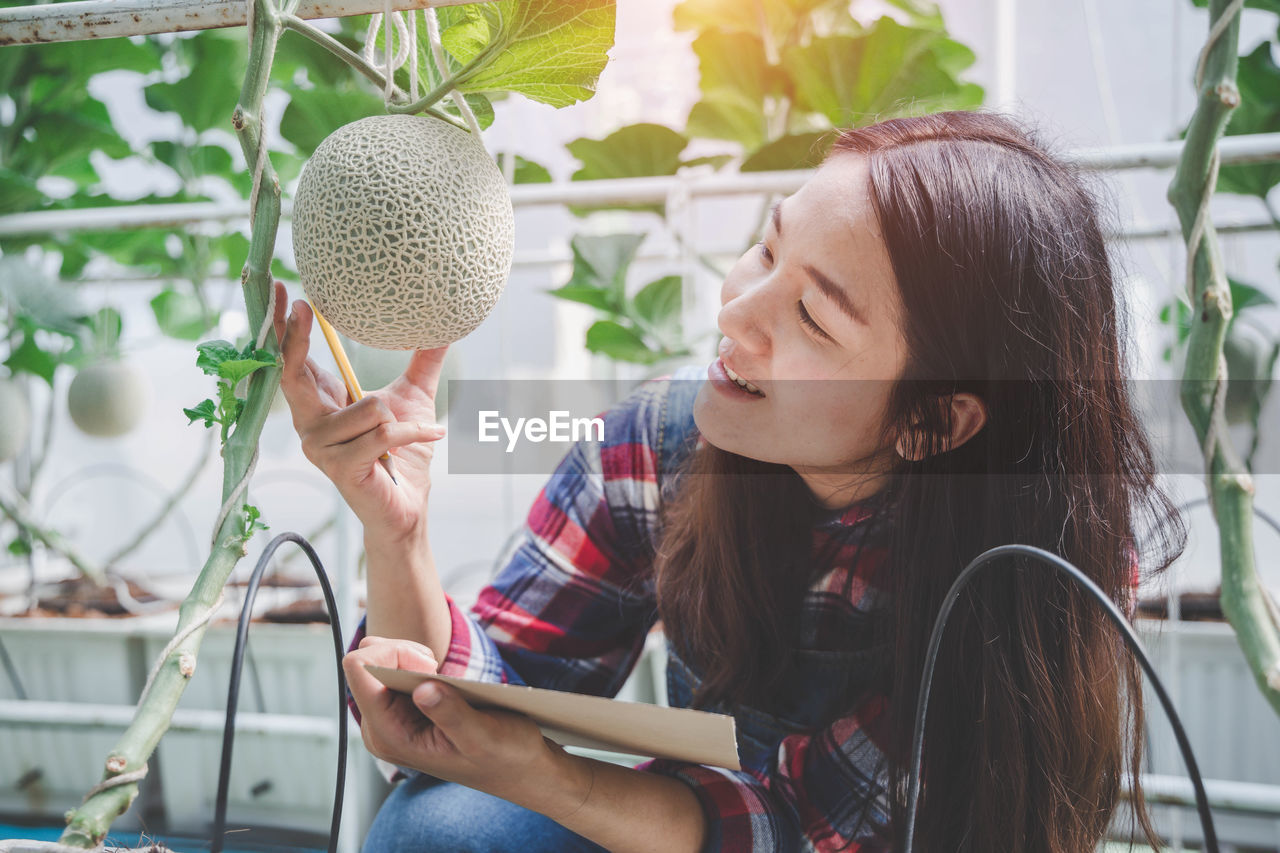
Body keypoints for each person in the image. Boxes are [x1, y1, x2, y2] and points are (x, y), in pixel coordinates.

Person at [272, 109, 1185, 853]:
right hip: (698, 833)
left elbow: (810, 830)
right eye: (764, 248)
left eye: (814, 320)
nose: (735, 313)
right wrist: (398, 532)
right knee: (443, 828)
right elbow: (478, 705)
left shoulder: (1046, 568)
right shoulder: (658, 441)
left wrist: (552, 777)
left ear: (934, 421)